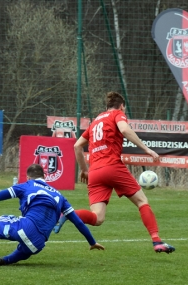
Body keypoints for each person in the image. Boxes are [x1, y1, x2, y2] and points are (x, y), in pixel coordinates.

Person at [54, 91, 175, 254]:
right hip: (112, 167)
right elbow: (125, 130)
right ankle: (157, 241)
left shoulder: (96, 121)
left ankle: (68, 214)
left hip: (95, 172)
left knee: (97, 218)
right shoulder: (118, 114)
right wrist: (147, 149)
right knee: (142, 201)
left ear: (106, 106)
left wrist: (84, 170)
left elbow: (77, 146)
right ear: (122, 106)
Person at [0, 164, 105, 266]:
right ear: (45, 177)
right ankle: (2, 261)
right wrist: (92, 242)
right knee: (24, 249)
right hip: (38, 244)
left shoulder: (26, 185)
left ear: (28, 176)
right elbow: (78, 222)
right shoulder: (60, 196)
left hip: (27, 227)